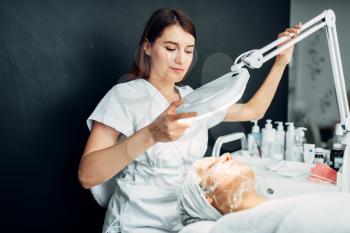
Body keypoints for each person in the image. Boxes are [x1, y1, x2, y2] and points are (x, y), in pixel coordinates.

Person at [78, 7, 300, 233]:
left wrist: (280, 62)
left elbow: (254, 111)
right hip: (136, 223)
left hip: (184, 222)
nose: (180, 59)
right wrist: (151, 134)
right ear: (147, 46)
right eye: (170, 48)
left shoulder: (192, 98)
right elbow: (87, 176)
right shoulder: (124, 96)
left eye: (188, 50)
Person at [178, 154, 350, 233]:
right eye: (212, 166)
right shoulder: (231, 227)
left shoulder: (276, 207)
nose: (227, 155)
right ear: (208, 198)